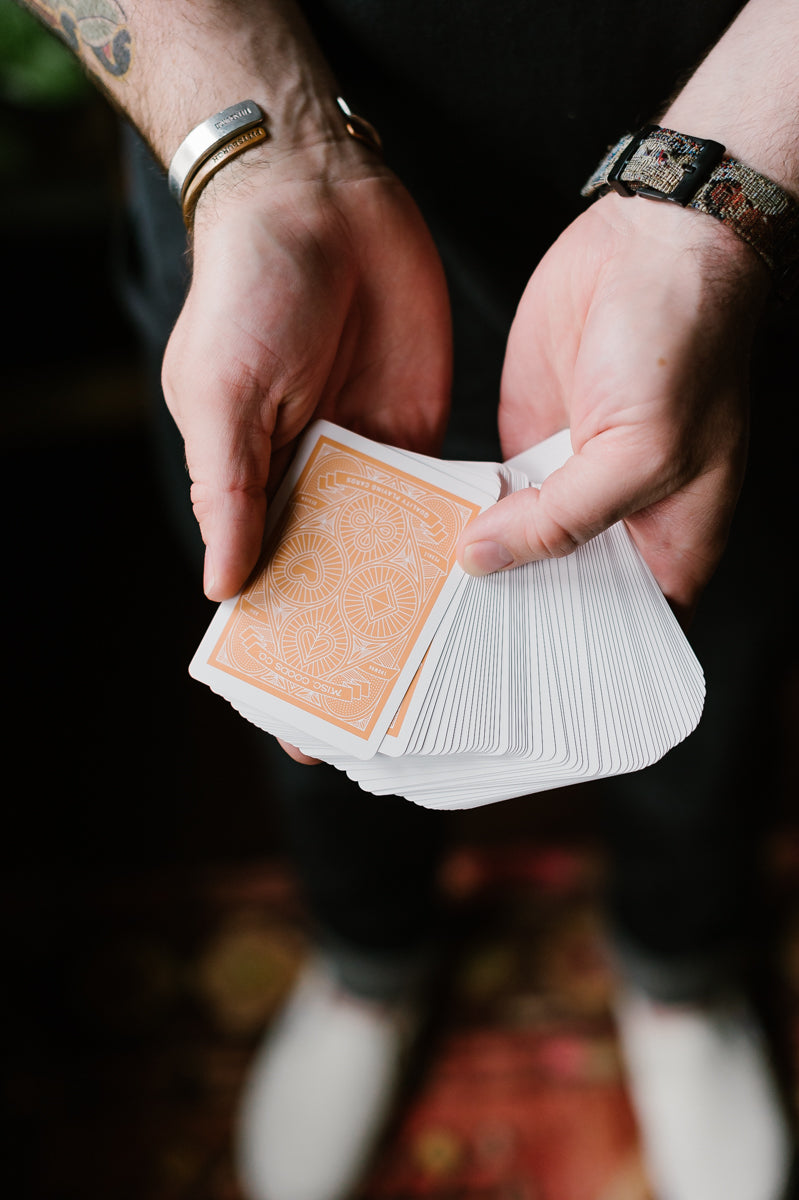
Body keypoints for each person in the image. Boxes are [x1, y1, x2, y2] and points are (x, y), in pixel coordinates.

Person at [20, 2, 799, 1198]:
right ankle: (363, 952)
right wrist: (264, 145)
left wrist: (728, 184)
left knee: (709, 652)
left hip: (755, 225)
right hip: (269, 210)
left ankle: (681, 961)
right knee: (306, 674)